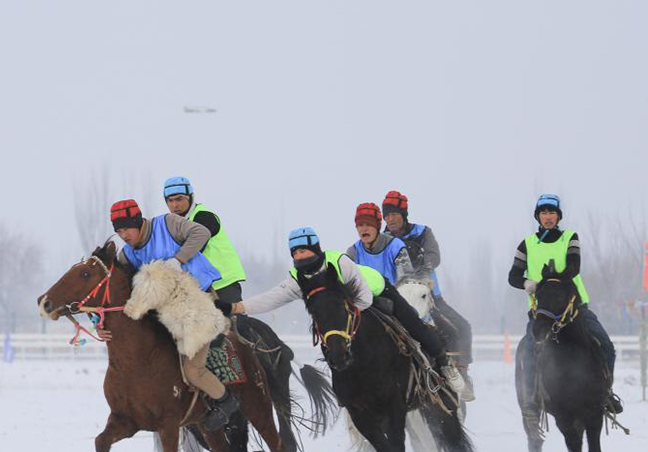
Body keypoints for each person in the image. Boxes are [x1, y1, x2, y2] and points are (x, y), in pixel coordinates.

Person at [218, 227, 468, 398]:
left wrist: (342, 316)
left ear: (316, 249)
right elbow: (273, 298)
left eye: (304, 250)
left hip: (377, 292)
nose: (300, 256)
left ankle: (444, 364)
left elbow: (365, 298)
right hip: (341, 311)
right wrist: (236, 307)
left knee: (414, 324)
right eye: (295, 252)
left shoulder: (339, 262)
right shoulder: (297, 278)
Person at [101, 198, 240, 431]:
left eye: (126, 229)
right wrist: (101, 322)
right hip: (168, 317)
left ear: (138, 222)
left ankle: (226, 401)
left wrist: (179, 259)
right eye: (119, 231)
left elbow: (201, 233)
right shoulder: (128, 255)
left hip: (200, 304)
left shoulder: (168, 224)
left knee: (193, 371)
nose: (123, 235)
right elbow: (115, 291)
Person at [508, 193, 621, 413]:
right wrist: (527, 283)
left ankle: (605, 393)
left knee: (606, 346)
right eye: (543, 212)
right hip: (541, 312)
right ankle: (531, 402)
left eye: (552, 212)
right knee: (529, 351)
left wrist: (550, 282)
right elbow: (513, 276)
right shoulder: (526, 244)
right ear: (538, 216)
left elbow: (573, 268)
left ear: (558, 216)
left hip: (574, 308)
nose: (548, 217)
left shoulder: (570, 238)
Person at [348, 204, 471, 399]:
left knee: (425, 328)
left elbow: (405, 276)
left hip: (397, 299)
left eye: (368, 224)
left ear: (377, 226)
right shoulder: (352, 252)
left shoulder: (397, 245)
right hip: (369, 306)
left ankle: (447, 367)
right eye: (360, 225)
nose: (364, 229)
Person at [381, 190, 473, 367]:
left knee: (461, 328)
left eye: (393, 214)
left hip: (430, 297)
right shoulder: (383, 240)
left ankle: (462, 368)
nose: (390, 219)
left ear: (403, 215)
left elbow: (433, 255)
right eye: (386, 216)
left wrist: (424, 271)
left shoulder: (422, 233)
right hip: (397, 299)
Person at [163, 176, 246, 303]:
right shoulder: (177, 223)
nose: (175, 205)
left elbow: (194, 245)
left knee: (234, 320)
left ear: (190, 197)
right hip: (202, 284)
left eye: (179, 199)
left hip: (223, 282)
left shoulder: (203, 216)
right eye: (170, 200)